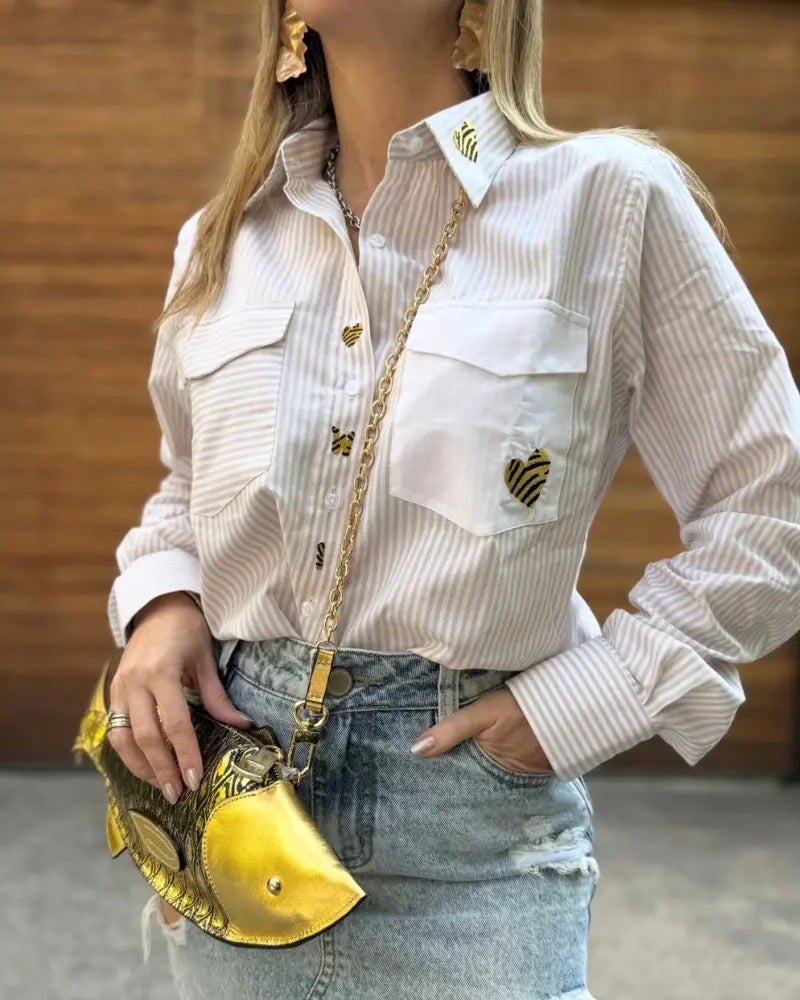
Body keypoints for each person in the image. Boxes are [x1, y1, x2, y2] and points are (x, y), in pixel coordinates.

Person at [105, 1, 800, 998]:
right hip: (239, 800)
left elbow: (770, 504)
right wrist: (163, 608)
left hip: (472, 828)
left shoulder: (604, 199)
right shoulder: (227, 236)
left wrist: (583, 704)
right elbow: (187, 489)